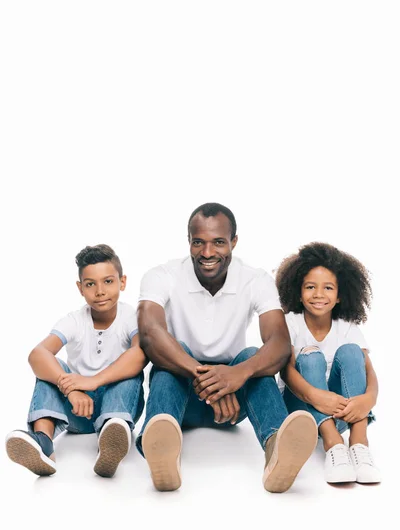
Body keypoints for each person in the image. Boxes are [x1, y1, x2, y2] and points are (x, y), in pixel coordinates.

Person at [136, 202, 318, 493]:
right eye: (199, 243)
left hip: (234, 402)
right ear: (189, 242)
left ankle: (277, 450)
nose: (207, 253)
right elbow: (149, 332)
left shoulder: (255, 279)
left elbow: (280, 343)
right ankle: (163, 457)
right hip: (181, 394)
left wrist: (237, 375)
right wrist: (207, 378)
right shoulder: (162, 275)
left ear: (234, 241)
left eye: (218, 242)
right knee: (170, 353)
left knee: (249, 356)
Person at [5, 244, 147, 478]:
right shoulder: (74, 320)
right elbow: (37, 354)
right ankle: (43, 443)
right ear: (81, 288)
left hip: (119, 406)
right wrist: (71, 390)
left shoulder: (131, 317)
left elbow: (141, 353)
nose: (100, 291)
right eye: (91, 284)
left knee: (130, 370)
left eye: (108, 281)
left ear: (123, 282)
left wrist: (93, 381)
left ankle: (110, 439)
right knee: (51, 367)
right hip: (78, 410)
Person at [275, 242, 380, 484]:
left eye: (328, 288)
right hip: (301, 409)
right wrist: (314, 395)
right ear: (298, 292)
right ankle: (333, 446)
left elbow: (368, 370)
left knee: (353, 352)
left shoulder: (347, 327)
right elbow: (286, 370)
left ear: (340, 294)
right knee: (310, 355)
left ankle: (359, 444)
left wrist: (368, 400)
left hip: (341, 410)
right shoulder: (291, 322)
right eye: (310, 287)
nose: (319, 295)